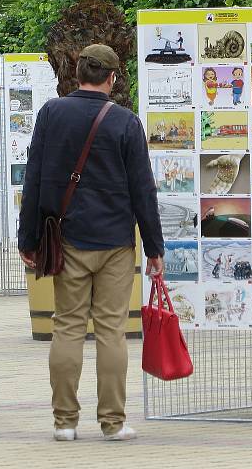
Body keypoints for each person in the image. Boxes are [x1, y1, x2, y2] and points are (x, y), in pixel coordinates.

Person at [18, 44, 164, 442]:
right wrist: (154, 248)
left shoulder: (51, 113)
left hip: (65, 239)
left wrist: (27, 237)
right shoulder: (126, 122)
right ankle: (113, 422)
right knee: (112, 331)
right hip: (116, 240)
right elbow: (142, 189)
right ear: (113, 78)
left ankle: (64, 422)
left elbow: (34, 176)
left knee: (66, 327)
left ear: (77, 72)